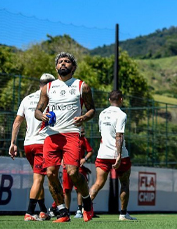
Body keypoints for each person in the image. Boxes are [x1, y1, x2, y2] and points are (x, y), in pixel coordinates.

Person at [34, 52, 96, 222]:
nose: (63, 64)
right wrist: (42, 116)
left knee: (73, 172)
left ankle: (86, 201)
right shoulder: (48, 87)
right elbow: (38, 111)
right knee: (51, 173)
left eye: (67, 61)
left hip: (72, 134)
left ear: (73, 67)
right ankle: (63, 212)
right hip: (52, 135)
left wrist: (84, 117)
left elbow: (92, 109)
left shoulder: (82, 86)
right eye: (60, 62)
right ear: (56, 67)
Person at [9, 73, 56, 221]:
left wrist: (13, 143)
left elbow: (17, 122)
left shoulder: (27, 98)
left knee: (38, 177)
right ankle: (29, 212)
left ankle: (42, 210)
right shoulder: (51, 99)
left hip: (28, 144)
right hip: (42, 144)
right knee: (38, 179)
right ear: (50, 85)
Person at [88, 90, 136, 221]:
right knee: (124, 183)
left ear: (109, 100)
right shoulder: (122, 114)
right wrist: (119, 155)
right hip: (118, 155)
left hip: (103, 153)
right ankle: (123, 214)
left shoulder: (102, 113)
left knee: (98, 183)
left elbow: (102, 134)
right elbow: (119, 135)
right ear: (121, 99)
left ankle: (84, 211)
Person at [63, 126, 93, 219]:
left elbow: (90, 151)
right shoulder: (65, 139)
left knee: (79, 189)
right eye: (82, 132)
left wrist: (85, 159)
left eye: (83, 132)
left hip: (78, 167)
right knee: (66, 190)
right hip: (66, 167)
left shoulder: (83, 140)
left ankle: (79, 210)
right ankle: (66, 211)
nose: (82, 133)